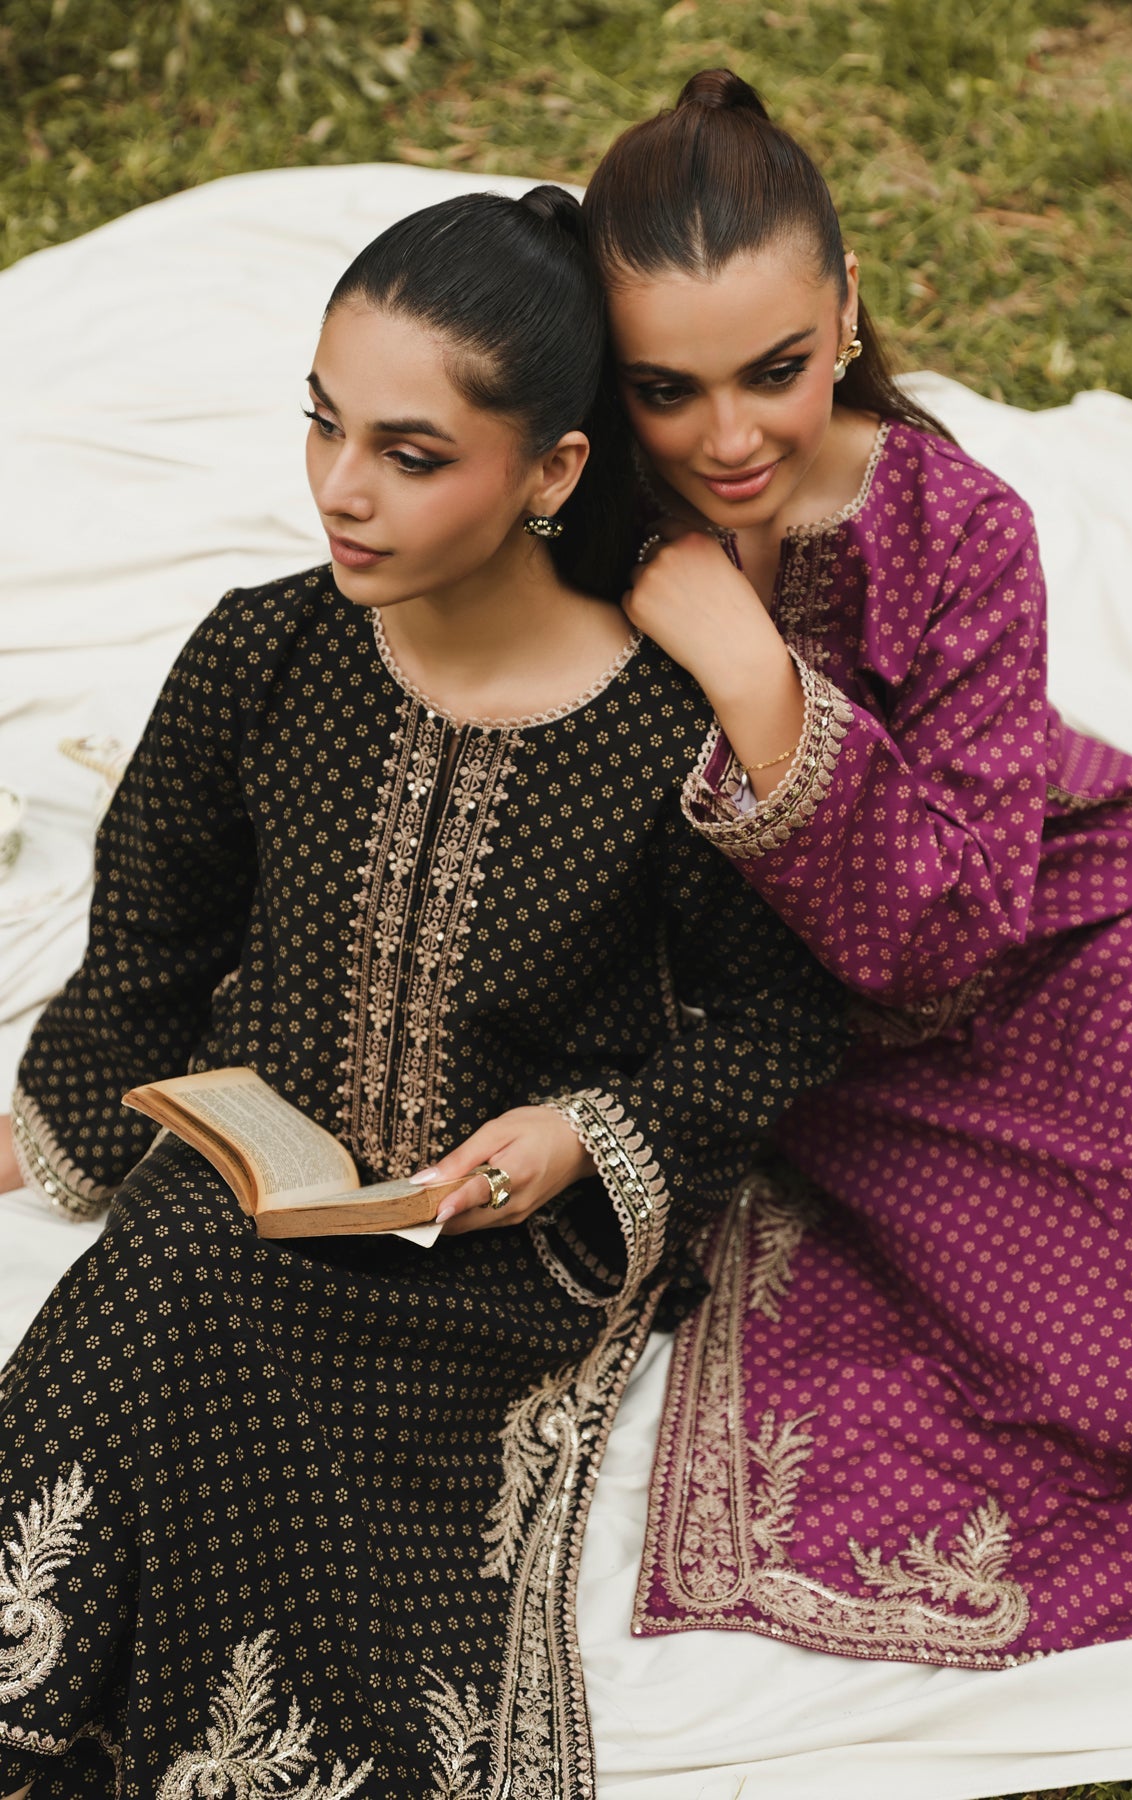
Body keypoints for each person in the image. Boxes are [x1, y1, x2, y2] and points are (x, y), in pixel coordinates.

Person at [0, 185, 846, 1798]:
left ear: (553, 471)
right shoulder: (258, 658)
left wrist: (582, 1137)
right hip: (243, 1182)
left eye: (410, 453)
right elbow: (149, 952)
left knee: (256, 1386)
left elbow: (777, 1024)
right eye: (324, 425)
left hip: (495, 1251)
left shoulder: (663, 739)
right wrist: (54, 1132)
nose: (341, 488)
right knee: (155, 1292)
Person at [582, 71, 1132, 1669]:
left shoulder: (958, 525)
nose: (729, 439)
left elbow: (955, 940)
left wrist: (754, 677)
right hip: (799, 1042)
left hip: (1044, 924)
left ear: (848, 309)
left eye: (777, 371)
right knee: (1128, 1369)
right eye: (666, 389)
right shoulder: (576, 523)